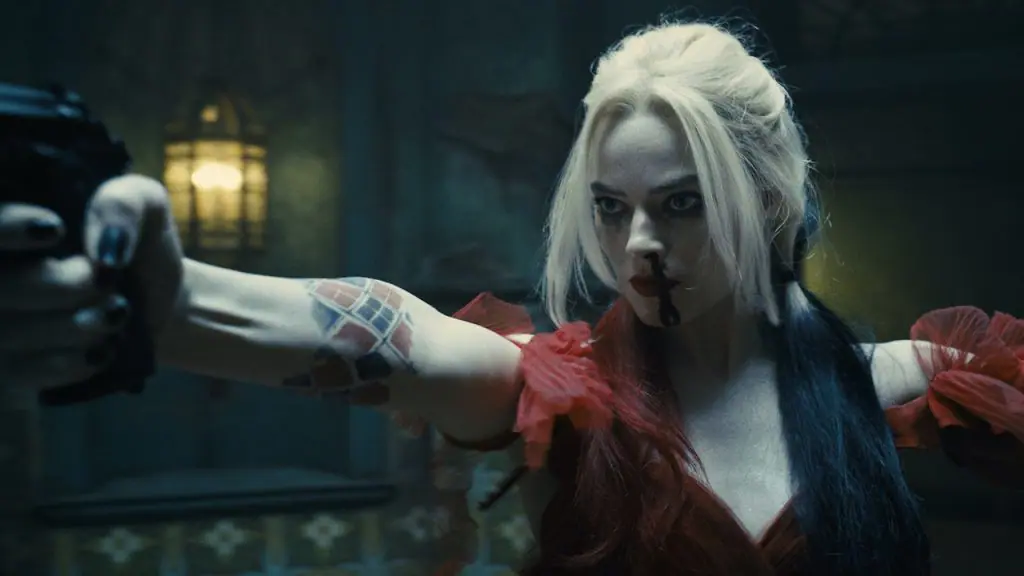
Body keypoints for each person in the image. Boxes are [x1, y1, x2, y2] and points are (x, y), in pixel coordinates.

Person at [2, 21, 1022, 576]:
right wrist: (176, 304)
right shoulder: (567, 393)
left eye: (681, 203)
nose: (638, 245)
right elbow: (399, 336)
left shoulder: (894, 385)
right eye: (611, 207)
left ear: (768, 198)